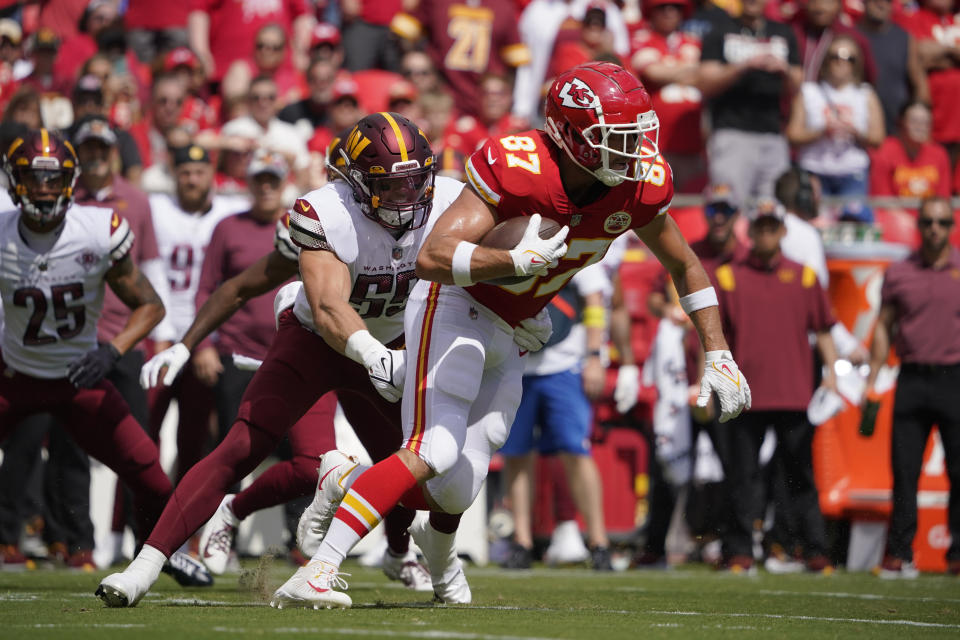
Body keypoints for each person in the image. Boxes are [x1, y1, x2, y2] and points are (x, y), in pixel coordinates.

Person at [276, 62, 751, 608]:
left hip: (516, 326)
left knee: (458, 485)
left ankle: (358, 487)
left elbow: (685, 264)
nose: (634, 152)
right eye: (617, 140)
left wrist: (717, 350)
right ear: (573, 137)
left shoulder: (637, 185)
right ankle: (318, 568)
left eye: (637, 136)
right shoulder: (519, 165)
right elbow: (431, 259)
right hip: (455, 304)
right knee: (433, 447)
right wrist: (510, 261)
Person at [97, 112, 464, 608]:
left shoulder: (448, 198)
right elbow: (326, 306)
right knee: (241, 446)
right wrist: (187, 344)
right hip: (317, 340)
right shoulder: (325, 212)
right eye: (389, 186)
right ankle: (144, 565)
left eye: (415, 182)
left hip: (393, 346)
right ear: (355, 183)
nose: (408, 197)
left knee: (405, 463)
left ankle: (407, 555)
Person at [0, 128, 207, 586]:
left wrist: (111, 350)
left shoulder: (97, 228)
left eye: (55, 180)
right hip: (14, 376)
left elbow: (151, 305)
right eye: (35, 179)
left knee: (150, 474)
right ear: (15, 181)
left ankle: (156, 556)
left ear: (71, 182)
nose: (46, 190)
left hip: (80, 377)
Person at [713, 199, 836, 573]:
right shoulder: (728, 277)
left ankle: (812, 549)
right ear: (749, 232)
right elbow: (716, 336)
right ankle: (739, 551)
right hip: (745, 393)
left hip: (794, 391)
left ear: (783, 231)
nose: (765, 233)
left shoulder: (805, 277)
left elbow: (824, 329)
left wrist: (831, 371)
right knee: (742, 475)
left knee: (800, 474)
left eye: (772, 227)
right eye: (760, 227)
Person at [864, 196, 960, 578]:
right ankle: (900, 554)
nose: (934, 229)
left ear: (952, 227)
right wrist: (872, 378)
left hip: (955, 377)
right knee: (904, 471)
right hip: (912, 377)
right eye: (928, 222)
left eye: (942, 222)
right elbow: (884, 325)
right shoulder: (900, 271)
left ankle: (957, 556)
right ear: (919, 226)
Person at [146, 144, 247, 480]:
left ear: (211, 176)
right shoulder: (155, 209)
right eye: (185, 172)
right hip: (161, 336)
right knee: (143, 439)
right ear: (173, 174)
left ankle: (188, 531)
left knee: (195, 441)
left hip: (205, 341)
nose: (191, 179)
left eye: (199, 172)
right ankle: (128, 529)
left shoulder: (232, 213)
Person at [697, 0, 802, 204]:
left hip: (773, 136)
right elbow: (705, 81)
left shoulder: (783, 32)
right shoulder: (720, 30)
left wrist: (784, 69)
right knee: (727, 206)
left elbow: (799, 83)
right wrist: (743, 66)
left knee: (773, 210)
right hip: (731, 133)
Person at [785, 35, 885, 197]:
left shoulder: (866, 94)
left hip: (852, 171)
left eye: (849, 58)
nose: (841, 62)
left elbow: (878, 138)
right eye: (835, 56)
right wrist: (822, 131)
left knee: (853, 221)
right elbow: (792, 135)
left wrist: (854, 132)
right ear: (826, 60)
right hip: (814, 169)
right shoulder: (808, 92)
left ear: (857, 63)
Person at [857, 0, 929, 134]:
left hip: (896, 127)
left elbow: (919, 84)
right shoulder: (851, 36)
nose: (881, 4)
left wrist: (916, 119)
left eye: (888, 1)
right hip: (860, 125)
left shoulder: (905, 38)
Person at [869, 101, 953, 199]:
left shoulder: (939, 154)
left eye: (925, 122)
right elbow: (882, 199)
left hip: (929, 213)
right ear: (901, 122)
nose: (920, 127)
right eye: (914, 121)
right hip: (892, 213)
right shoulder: (885, 151)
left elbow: (943, 198)